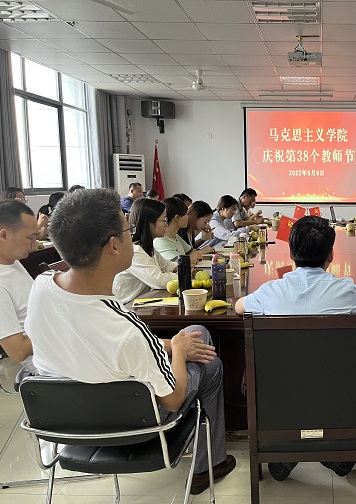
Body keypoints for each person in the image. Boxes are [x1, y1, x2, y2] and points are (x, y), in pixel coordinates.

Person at [25, 188, 235, 495]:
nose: (132, 236)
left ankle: (211, 460)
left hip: (63, 424)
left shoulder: (40, 287)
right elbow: (172, 399)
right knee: (206, 353)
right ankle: (209, 464)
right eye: (128, 230)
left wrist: (169, 345)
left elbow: (96, 340)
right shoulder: (127, 329)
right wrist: (177, 349)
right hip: (133, 424)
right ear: (113, 245)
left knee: (191, 338)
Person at [235, 216, 356, 481]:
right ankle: (336, 447)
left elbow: (239, 308)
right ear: (331, 255)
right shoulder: (348, 291)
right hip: (337, 394)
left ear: (290, 253)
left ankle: (285, 446)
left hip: (281, 395)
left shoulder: (270, 291)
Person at [0, 200, 38, 370]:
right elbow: (18, 351)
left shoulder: (10, 261)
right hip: (49, 364)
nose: (35, 243)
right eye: (30, 238)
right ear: (4, 235)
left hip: (62, 345)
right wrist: (57, 325)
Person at [113, 198, 178, 304]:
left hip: (142, 302)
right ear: (149, 224)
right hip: (127, 306)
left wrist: (182, 269)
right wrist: (183, 274)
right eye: (164, 220)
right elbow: (160, 281)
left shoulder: (148, 247)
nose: (167, 224)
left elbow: (167, 265)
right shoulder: (135, 252)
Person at [154, 197, 206, 264]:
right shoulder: (160, 240)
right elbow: (178, 265)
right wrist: (192, 258)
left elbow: (193, 253)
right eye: (185, 214)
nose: (188, 217)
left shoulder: (176, 237)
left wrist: (192, 258)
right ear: (177, 217)